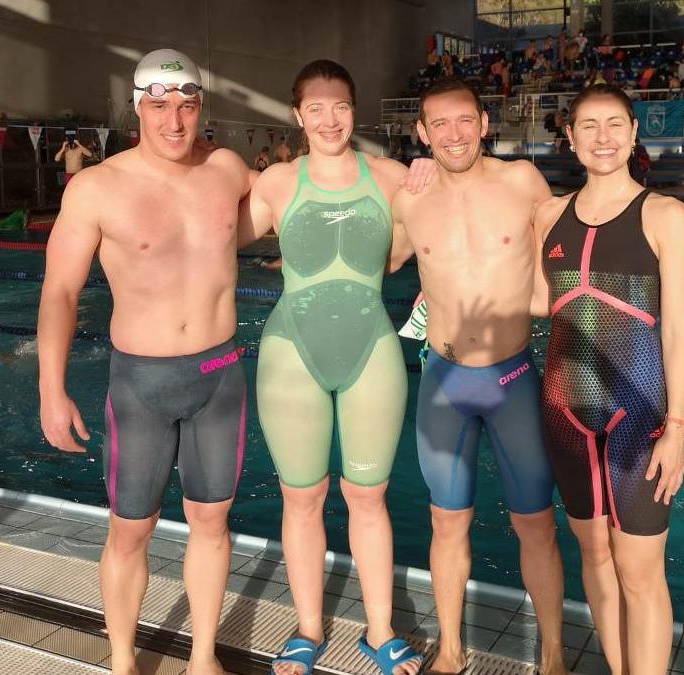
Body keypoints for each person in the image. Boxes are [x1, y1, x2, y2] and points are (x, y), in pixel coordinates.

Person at [38, 48, 255, 675]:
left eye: (187, 106)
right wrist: (53, 390)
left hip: (219, 377)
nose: (174, 122)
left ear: (201, 107)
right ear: (138, 107)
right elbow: (59, 291)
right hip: (141, 385)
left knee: (212, 523)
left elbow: (294, 195)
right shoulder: (97, 187)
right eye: (159, 106)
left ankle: (204, 658)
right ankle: (124, 661)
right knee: (131, 530)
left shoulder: (227, 168)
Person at [242, 60, 429, 675]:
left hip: (371, 348)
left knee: (367, 497)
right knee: (303, 499)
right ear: (297, 115)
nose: (329, 119)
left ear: (356, 110)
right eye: (316, 108)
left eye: (341, 106)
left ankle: (380, 633)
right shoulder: (273, 183)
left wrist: (432, 172)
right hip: (290, 353)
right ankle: (308, 629)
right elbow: (205, 233)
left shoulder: (394, 177)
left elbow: (424, 242)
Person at [387, 77, 566, 675]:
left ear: (485, 123)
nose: (454, 134)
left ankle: (554, 657)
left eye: (465, 120)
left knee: (536, 525)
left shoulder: (521, 181)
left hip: (512, 378)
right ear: (422, 132)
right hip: (443, 381)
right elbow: (381, 261)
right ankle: (452, 650)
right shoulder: (409, 198)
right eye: (440, 124)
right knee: (446, 520)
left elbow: (566, 260)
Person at [531, 83, 684, 675]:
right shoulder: (548, 217)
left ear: (632, 134)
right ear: (570, 139)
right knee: (595, 557)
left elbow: (678, 330)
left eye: (615, 125)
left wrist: (676, 427)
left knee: (642, 572)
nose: (603, 137)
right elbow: (529, 299)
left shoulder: (665, 215)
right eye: (589, 127)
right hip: (563, 412)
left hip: (641, 417)